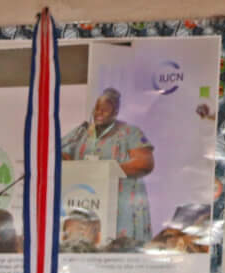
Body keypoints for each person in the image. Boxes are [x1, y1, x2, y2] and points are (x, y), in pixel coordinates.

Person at [62, 88, 155, 248]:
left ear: (116, 111)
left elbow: (145, 163)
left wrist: (107, 169)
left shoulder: (129, 133)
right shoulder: (82, 132)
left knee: (121, 250)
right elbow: (60, 152)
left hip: (121, 206)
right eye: (97, 108)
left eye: (105, 109)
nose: (99, 112)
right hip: (87, 203)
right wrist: (78, 168)